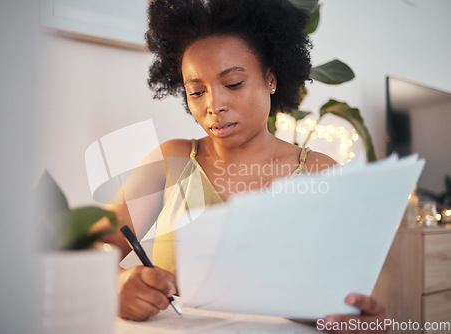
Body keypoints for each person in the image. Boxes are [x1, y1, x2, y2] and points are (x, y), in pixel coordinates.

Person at [96, 0, 388, 332]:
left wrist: (360, 322)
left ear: (271, 79)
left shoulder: (322, 174)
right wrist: (116, 282)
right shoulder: (172, 161)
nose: (213, 105)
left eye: (233, 84)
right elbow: (89, 246)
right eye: (196, 91)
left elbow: (352, 303)